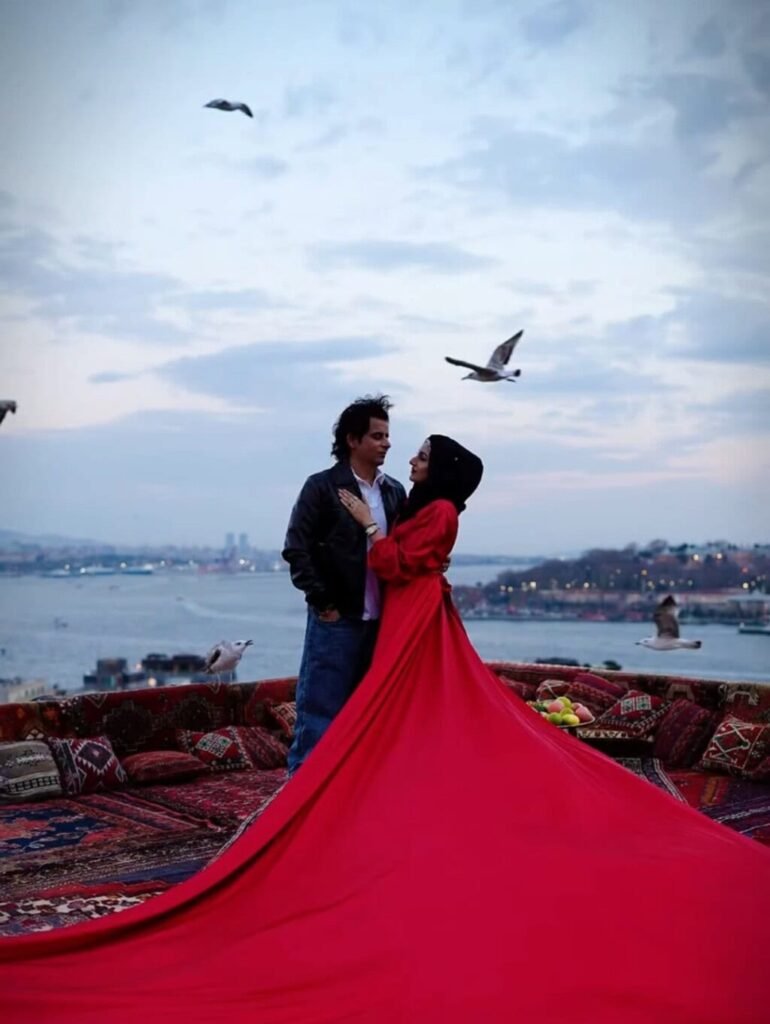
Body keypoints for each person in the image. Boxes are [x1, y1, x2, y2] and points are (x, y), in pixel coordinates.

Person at [2, 436, 770, 1024]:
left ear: (444, 469)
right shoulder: (422, 502)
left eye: (422, 453)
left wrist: (371, 526)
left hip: (412, 614)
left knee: (406, 711)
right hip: (403, 616)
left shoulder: (438, 512)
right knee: (393, 715)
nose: (410, 457)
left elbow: (400, 564)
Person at [282, 394, 406, 773]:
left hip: (381, 623)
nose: (387, 443)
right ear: (353, 440)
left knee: (369, 714)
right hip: (337, 620)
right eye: (377, 436)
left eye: (387, 435)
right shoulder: (321, 488)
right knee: (319, 714)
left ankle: (351, 797)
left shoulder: (393, 491)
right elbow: (296, 549)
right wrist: (325, 603)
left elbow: (401, 549)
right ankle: (301, 795)